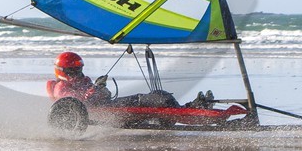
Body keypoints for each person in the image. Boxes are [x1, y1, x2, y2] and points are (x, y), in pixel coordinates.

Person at [46, 51, 215, 109]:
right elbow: (80, 106)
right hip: (107, 112)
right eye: (73, 70)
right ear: (62, 71)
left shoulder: (83, 81)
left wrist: (100, 88)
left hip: (110, 105)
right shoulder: (61, 89)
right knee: (158, 99)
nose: (77, 73)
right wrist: (96, 89)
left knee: (157, 95)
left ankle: (192, 107)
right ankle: (193, 109)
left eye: (78, 69)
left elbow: (103, 95)